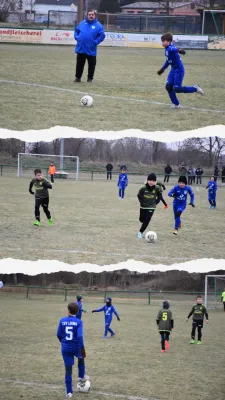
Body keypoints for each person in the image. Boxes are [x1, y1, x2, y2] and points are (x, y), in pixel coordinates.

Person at [157, 32, 204, 108]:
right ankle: (176, 104)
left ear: (168, 41)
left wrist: (179, 50)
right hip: (173, 70)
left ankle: (195, 88)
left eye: (163, 41)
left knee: (177, 89)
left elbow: (174, 49)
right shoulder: (166, 49)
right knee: (168, 87)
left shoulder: (170, 48)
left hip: (179, 70)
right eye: (162, 41)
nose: (162, 43)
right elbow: (168, 61)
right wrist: (162, 69)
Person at [57, 303, 88, 398]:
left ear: (68, 311)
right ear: (78, 311)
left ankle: (69, 392)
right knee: (81, 359)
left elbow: (58, 334)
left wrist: (63, 343)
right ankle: (81, 376)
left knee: (68, 370)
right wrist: (82, 348)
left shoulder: (62, 320)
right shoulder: (79, 322)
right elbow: (79, 336)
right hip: (77, 346)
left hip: (66, 347)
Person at [73, 10, 105, 83]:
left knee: (92, 65)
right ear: (87, 15)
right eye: (89, 14)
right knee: (79, 64)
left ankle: (90, 79)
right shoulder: (82, 23)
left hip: (91, 49)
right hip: (81, 48)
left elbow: (102, 35)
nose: (91, 16)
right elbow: (76, 30)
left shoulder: (98, 25)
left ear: (95, 15)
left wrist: (95, 42)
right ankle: (78, 78)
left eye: (92, 14)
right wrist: (77, 37)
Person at [137, 173, 162, 238]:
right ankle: (142, 221)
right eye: (150, 180)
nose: (151, 182)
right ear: (147, 180)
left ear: (155, 182)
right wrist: (141, 202)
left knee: (147, 219)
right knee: (141, 220)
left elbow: (160, 195)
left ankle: (140, 232)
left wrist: (157, 201)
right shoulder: (143, 188)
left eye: (153, 181)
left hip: (152, 206)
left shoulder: (157, 188)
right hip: (143, 206)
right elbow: (139, 195)